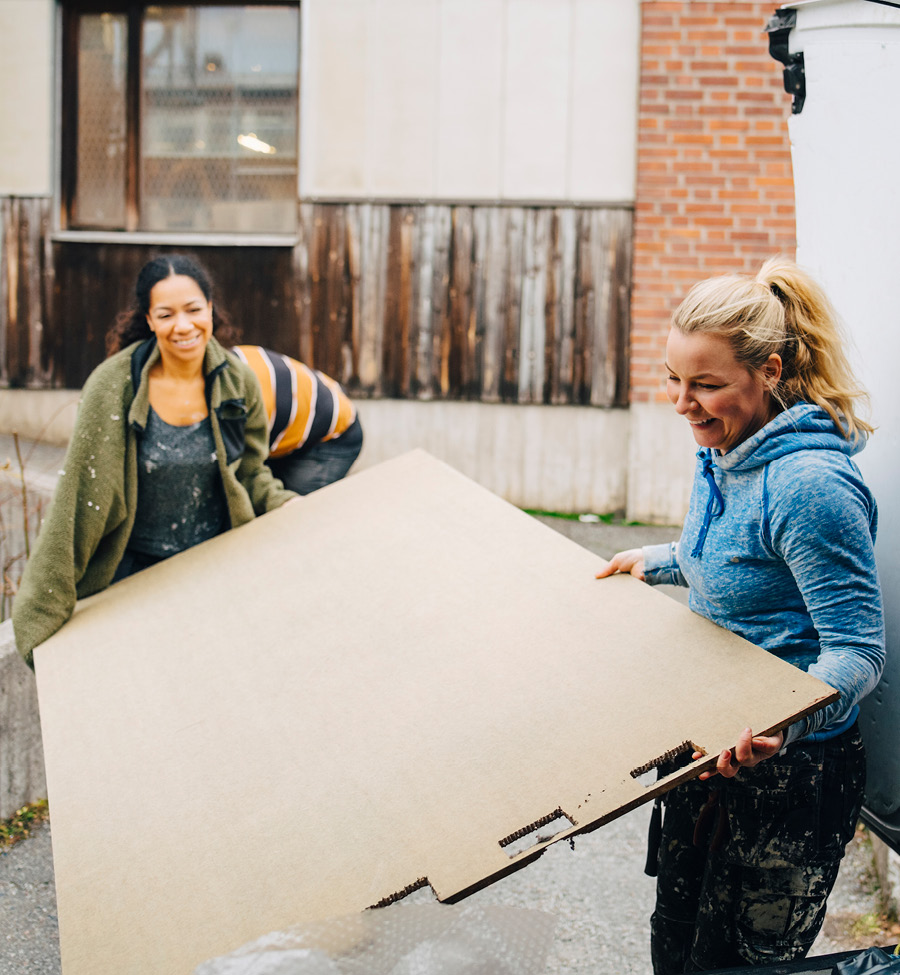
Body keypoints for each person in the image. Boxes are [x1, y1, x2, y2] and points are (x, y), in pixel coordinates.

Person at [596, 257, 885, 973]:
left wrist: (786, 724)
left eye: (707, 384)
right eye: (674, 378)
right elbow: (742, 559)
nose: (682, 402)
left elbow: (857, 652)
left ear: (771, 371)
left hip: (791, 776)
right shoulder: (726, 446)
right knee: (679, 951)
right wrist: (661, 558)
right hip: (712, 748)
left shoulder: (809, 485)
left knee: (739, 968)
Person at [12, 255, 296, 667]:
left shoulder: (236, 381)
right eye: (166, 314)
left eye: (194, 310)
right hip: (135, 575)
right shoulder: (112, 388)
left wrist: (290, 506)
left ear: (211, 310)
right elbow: (76, 507)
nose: (183, 326)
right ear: (149, 319)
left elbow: (251, 474)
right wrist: (37, 626)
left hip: (213, 570)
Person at [231, 345, 362, 495]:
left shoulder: (240, 401)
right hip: (295, 412)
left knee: (295, 509)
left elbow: (247, 467)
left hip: (335, 435)